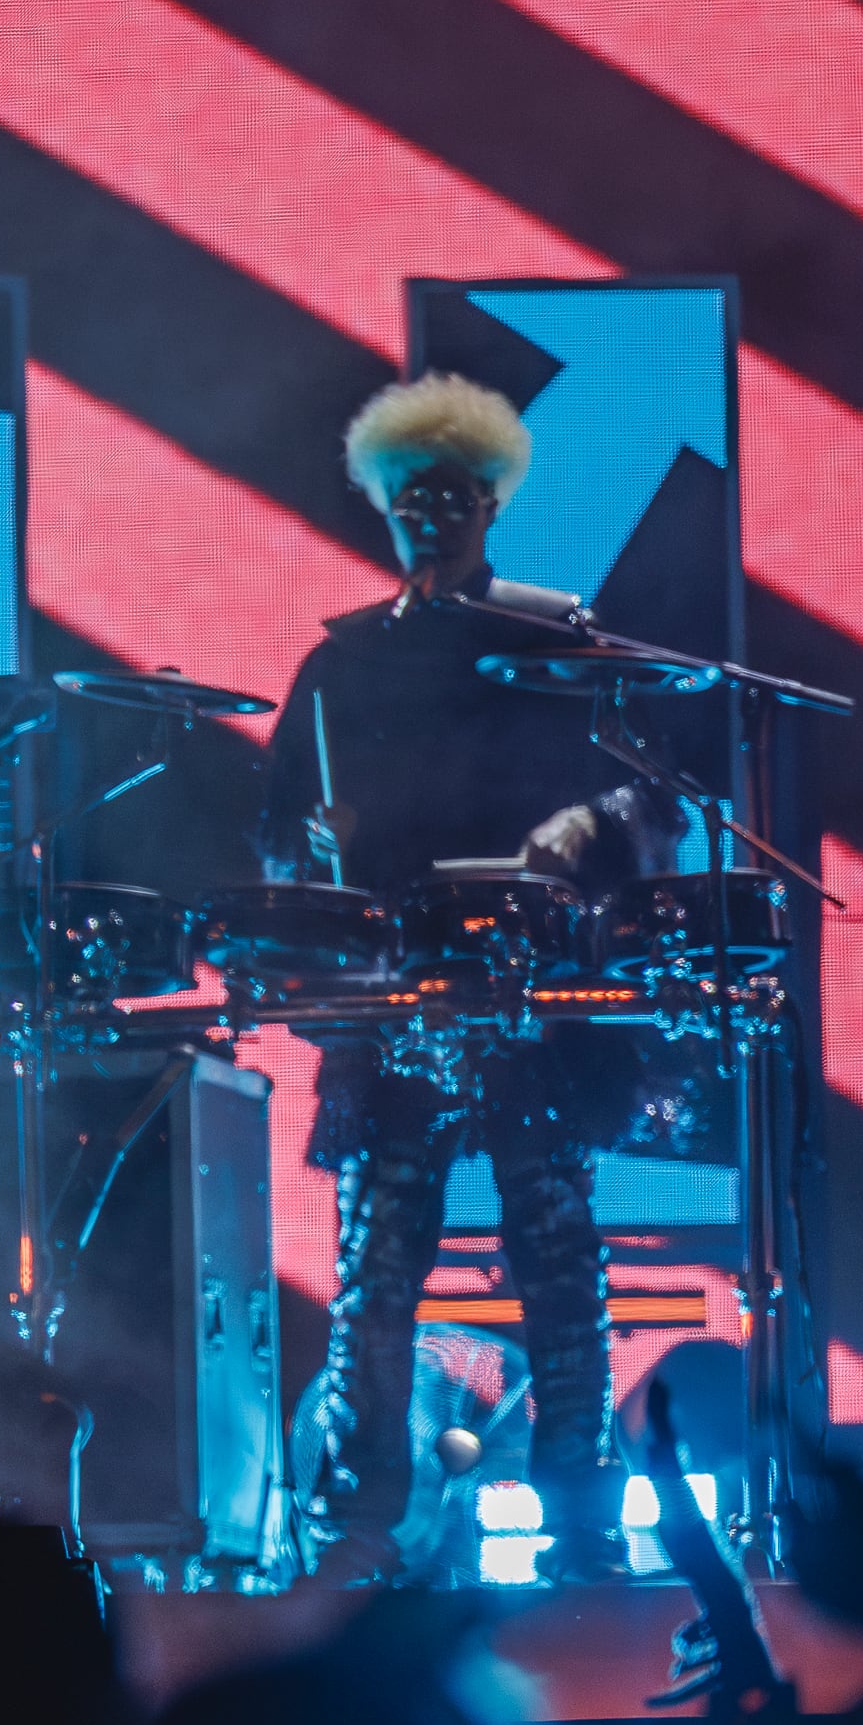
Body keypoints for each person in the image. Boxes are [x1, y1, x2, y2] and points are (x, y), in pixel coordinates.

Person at [256, 375, 672, 1584]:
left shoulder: (552, 633)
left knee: (556, 1252)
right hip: (394, 990)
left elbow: (649, 794)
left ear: (490, 503)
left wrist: (579, 837)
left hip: (527, 982)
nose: (430, 515)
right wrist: (309, 850)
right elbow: (273, 829)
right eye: (409, 498)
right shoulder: (338, 664)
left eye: (451, 495)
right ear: (387, 510)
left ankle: (583, 1514)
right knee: (377, 1270)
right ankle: (362, 1519)